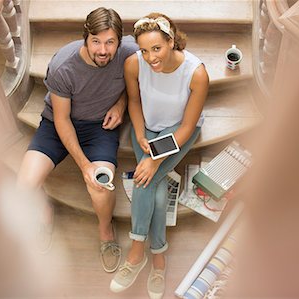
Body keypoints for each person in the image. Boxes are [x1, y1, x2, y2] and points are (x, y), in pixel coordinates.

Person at [16, 7, 138, 272]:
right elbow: (62, 120)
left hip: (99, 127)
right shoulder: (63, 65)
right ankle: (43, 214)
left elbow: (156, 50)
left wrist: (121, 103)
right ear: (85, 38)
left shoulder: (129, 52)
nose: (103, 50)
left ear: (120, 40)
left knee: (101, 185)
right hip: (59, 124)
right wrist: (84, 166)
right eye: (96, 41)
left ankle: (106, 231)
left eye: (110, 42)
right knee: (24, 186)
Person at [110, 13, 209, 298]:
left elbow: (188, 125)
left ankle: (138, 251)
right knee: (152, 184)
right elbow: (134, 101)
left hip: (179, 131)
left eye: (157, 48)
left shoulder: (196, 72)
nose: (150, 57)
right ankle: (159, 258)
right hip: (148, 128)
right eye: (144, 50)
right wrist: (140, 133)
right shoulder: (133, 64)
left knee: (146, 179)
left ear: (172, 41)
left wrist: (154, 159)